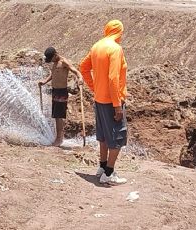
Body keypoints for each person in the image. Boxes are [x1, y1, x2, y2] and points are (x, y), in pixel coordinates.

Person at [79, 20, 128, 185]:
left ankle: (102, 167)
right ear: (119, 32)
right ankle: (109, 173)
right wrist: (117, 105)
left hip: (99, 99)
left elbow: (83, 68)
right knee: (118, 136)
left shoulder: (97, 46)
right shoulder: (115, 49)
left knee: (104, 136)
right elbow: (113, 78)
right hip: (111, 101)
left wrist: (95, 87)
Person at [39, 47, 83, 147]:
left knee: (59, 116)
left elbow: (75, 71)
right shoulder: (55, 63)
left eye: (52, 59)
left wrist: (80, 78)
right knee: (56, 115)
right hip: (55, 91)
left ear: (55, 55)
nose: (51, 61)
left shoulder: (64, 62)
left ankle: (59, 139)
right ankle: (58, 137)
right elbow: (53, 74)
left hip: (62, 92)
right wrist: (44, 81)